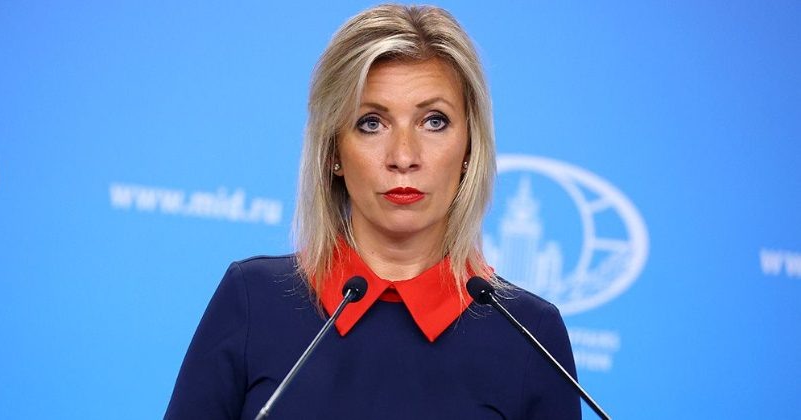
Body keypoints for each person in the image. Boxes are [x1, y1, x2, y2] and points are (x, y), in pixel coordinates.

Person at [165, 4, 580, 419]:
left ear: (470, 148)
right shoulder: (253, 301)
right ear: (333, 151)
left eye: (434, 121)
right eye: (371, 123)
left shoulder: (531, 336)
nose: (403, 156)